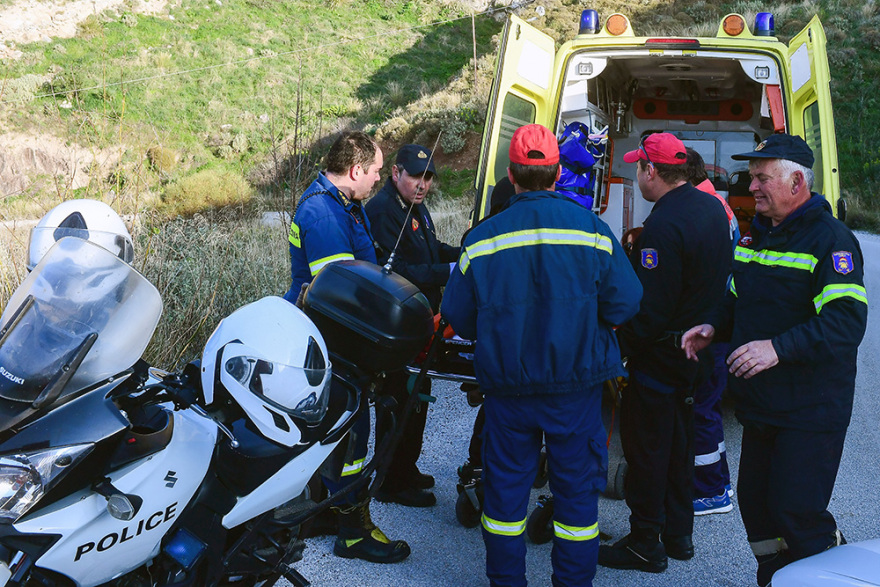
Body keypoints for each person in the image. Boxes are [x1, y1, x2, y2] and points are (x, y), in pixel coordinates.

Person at [441, 123, 642, 587]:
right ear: (556, 174)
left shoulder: (481, 238)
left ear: (511, 176)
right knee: (576, 500)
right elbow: (626, 303)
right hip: (575, 390)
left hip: (508, 392)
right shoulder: (592, 232)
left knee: (505, 498)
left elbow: (458, 315)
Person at [681, 133, 868, 586]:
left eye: (762, 178)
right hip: (764, 405)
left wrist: (777, 348)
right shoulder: (757, 234)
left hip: (811, 409)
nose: (752, 186)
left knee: (797, 512)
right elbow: (735, 296)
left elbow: (845, 323)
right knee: (757, 507)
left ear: (796, 182)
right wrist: (713, 326)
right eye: (752, 177)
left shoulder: (831, 240)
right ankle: (777, 577)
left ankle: (838, 574)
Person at [598, 133, 732, 573]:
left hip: (661, 357)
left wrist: (614, 350)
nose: (637, 175)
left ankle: (644, 542)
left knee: (647, 451)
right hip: (698, 354)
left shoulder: (661, 226)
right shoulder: (711, 208)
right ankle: (678, 535)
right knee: (680, 446)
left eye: (638, 167)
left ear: (651, 171)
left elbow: (650, 310)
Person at [282, 130, 410, 564]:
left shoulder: (344, 205)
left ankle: (324, 514)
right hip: (332, 342)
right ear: (355, 170)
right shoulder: (322, 214)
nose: (378, 179)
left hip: (338, 340)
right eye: (375, 171)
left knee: (337, 432)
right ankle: (353, 532)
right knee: (350, 435)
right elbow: (339, 293)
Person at [364, 144, 460, 508]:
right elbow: (397, 269)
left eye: (428, 178)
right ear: (396, 173)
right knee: (399, 398)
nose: (423, 185)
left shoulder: (415, 207)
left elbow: (431, 248)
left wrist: (463, 255)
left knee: (417, 396)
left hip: (422, 320)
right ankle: (389, 480)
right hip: (397, 322)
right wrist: (448, 271)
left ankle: (406, 467)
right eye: (416, 177)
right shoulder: (383, 211)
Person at [684, 148, 739, 516]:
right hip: (717, 322)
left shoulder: (705, 207)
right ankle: (719, 482)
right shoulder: (716, 203)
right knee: (709, 408)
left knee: (702, 410)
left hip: (710, 325)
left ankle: (711, 492)